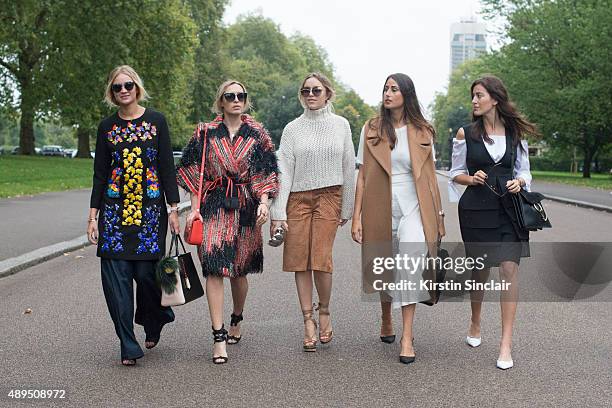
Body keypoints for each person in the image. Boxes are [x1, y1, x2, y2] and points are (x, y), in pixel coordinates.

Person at [176, 80, 278, 364]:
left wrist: (264, 203)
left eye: (241, 96)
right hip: (213, 206)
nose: (236, 100)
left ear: (246, 100)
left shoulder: (258, 134)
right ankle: (218, 336)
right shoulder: (205, 133)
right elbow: (193, 173)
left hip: (246, 205)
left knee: (239, 272)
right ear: (220, 102)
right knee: (213, 267)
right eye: (229, 96)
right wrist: (194, 209)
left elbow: (267, 171)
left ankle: (237, 316)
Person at [87, 65, 181, 366]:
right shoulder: (106, 128)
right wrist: (92, 217)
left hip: (150, 213)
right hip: (114, 214)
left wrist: (174, 209)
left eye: (128, 85)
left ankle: (156, 317)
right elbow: (100, 174)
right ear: (112, 94)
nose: (124, 90)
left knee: (147, 277)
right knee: (117, 283)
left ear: (137, 88)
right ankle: (127, 344)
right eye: (117, 87)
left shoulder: (156, 122)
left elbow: (167, 167)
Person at [351, 73, 445, 364]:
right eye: (385, 88)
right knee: (385, 265)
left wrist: (438, 218)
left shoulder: (423, 130)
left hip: (414, 205)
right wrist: (357, 217)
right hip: (381, 203)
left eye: (394, 89)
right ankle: (385, 317)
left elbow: (430, 178)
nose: (388, 93)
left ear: (407, 94)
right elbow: (363, 176)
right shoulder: (371, 128)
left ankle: (407, 336)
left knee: (409, 264)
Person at [448, 75, 537, 370]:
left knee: (509, 270)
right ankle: (475, 320)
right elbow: (455, 173)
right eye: (473, 95)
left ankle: (505, 343)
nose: (474, 100)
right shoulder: (465, 133)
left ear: (495, 99)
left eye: (479, 95)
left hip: (509, 210)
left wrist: (520, 182)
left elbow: (525, 171)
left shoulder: (515, 134)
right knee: (481, 269)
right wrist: (470, 178)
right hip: (476, 209)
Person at [270, 73, 355, 352]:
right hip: (298, 198)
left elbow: (347, 167)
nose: (310, 94)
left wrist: (348, 206)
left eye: (316, 90)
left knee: (320, 259)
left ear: (327, 93)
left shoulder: (341, 125)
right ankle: (307, 320)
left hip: (330, 195)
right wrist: (278, 211)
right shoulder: (292, 129)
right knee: (299, 260)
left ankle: (325, 310)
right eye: (305, 90)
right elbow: (285, 170)